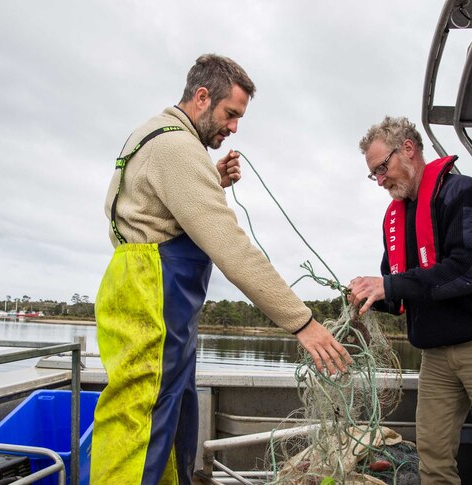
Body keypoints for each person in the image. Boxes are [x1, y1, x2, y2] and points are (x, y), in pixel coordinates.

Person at [91, 53, 352, 484]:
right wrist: (302, 322)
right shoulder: (177, 146)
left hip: (142, 292)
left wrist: (212, 180)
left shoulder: (154, 133)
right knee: (144, 422)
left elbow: (157, 209)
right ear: (201, 97)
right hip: (154, 297)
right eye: (231, 114)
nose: (233, 128)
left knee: (166, 412)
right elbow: (230, 247)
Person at [347, 116, 472, 484]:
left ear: (408, 149)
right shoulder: (395, 219)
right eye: (373, 174)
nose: (380, 180)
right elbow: (397, 295)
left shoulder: (463, 195)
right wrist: (369, 295)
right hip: (436, 357)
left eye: (382, 168)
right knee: (433, 460)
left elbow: (467, 271)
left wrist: (389, 287)